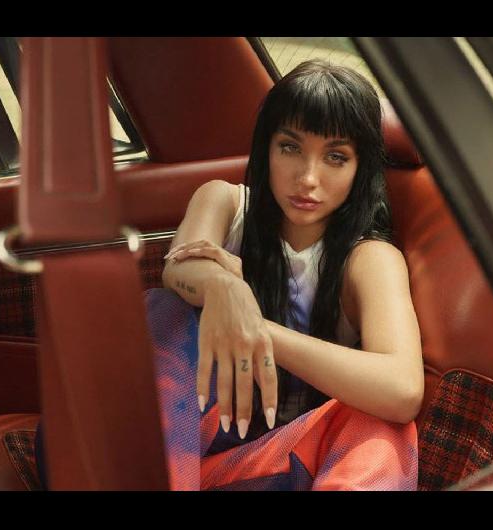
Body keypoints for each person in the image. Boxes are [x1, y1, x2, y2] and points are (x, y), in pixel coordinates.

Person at [151, 59, 424, 490]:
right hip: (178, 447)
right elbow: (178, 267)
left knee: (382, 428)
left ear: (361, 168)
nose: (308, 178)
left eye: (335, 157)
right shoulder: (225, 203)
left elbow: (402, 389)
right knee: (166, 308)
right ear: (267, 148)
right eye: (290, 148)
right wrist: (224, 286)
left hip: (274, 462)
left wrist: (255, 327)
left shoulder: (369, 258)